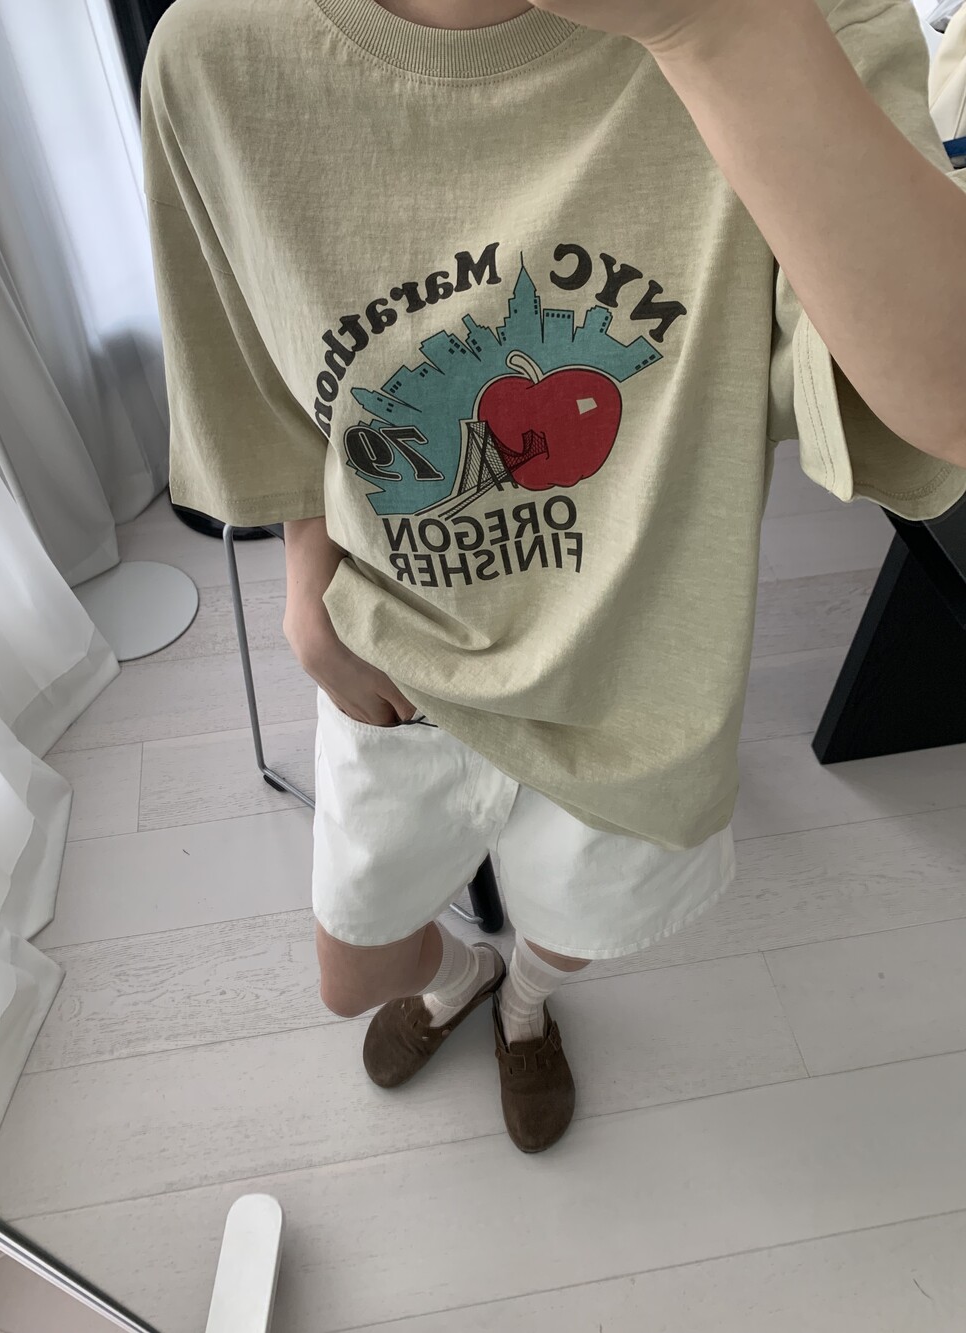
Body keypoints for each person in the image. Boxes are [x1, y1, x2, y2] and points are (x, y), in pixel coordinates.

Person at [140, 0, 966, 1153]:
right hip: (402, 654)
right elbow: (264, 379)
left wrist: (713, 33)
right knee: (351, 974)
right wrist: (305, 598)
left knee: (580, 927)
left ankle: (524, 1001)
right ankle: (466, 975)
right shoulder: (219, 52)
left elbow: (942, 397)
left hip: (642, 674)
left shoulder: (795, 21)